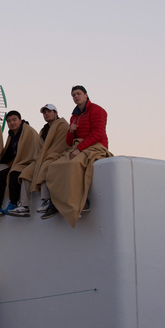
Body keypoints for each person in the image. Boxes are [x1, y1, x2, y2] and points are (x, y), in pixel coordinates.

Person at [42, 86, 113, 226]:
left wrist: (80, 148)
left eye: (78, 94)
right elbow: (69, 142)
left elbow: (98, 133)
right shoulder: (74, 116)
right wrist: (71, 131)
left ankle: (82, 201)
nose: (76, 97)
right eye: (73, 95)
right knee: (54, 166)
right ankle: (56, 203)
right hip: (78, 146)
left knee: (74, 164)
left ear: (86, 95)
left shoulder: (97, 110)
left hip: (96, 146)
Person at [10, 103, 69, 216]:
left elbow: (62, 144)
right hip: (43, 157)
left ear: (56, 113)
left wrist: (48, 156)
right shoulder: (44, 130)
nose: (46, 114)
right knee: (26, 172)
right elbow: (41, 147)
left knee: (45, 166)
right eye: (44, 112)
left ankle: (46, 200)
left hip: (56, 156)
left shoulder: (62, 125)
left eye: (49, 111)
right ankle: (24, 205)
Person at [0, 111, 41, 219]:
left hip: (31, 162)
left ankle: (13, 203)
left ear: (20, 120)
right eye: (9, 121)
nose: (11, 123)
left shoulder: (28, 131)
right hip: (19, 163)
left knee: (14, 173)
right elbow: (8, 153)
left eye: (14, 120)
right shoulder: (11, 135)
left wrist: (20, 161)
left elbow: (35, 150)